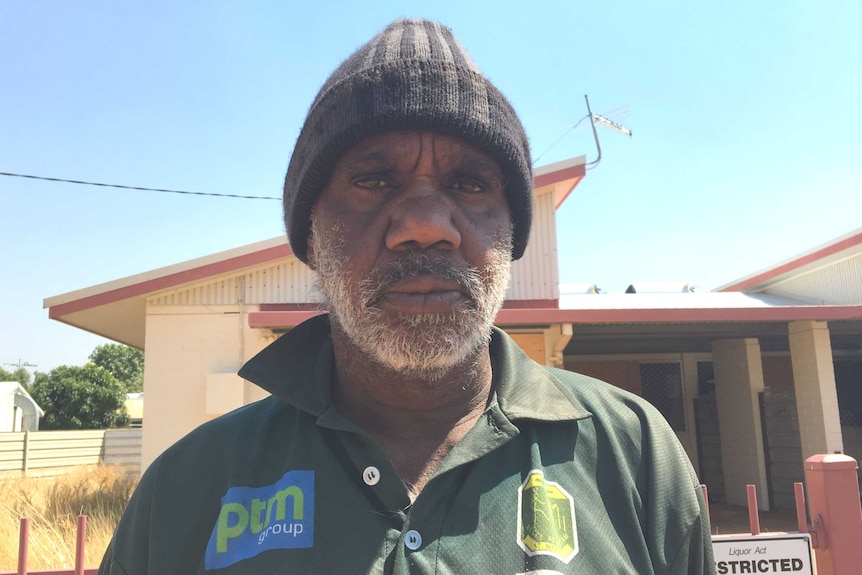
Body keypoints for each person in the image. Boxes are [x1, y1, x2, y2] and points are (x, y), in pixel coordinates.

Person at [99, 18, 715, 575]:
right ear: (310, 235)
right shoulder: (187, 488)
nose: (426, 224)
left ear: (511, 236)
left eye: (469, 184)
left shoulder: (634, 454)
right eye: (373, 180)